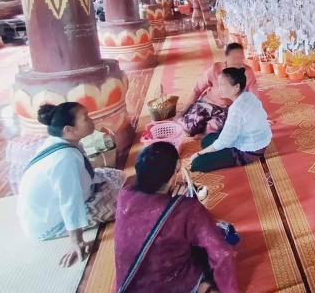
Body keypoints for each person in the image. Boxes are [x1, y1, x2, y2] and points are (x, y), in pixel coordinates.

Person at [115, 142, 238, 292]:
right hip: (173, 284)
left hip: (130, 284)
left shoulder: (125, 195)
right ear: (174, 172)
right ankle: (203, 287)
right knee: (225, 233)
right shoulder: (186, 209)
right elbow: (222, 253)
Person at [17, 102, 124, 267]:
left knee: (118, 176)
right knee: (125, 203)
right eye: (85, 118)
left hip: (49, 207)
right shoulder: (64, 159)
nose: (91, 120)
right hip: (50, 222)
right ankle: (70, 232)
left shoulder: (59, 141)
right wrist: (77, 241)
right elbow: (70, 202)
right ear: (69, 130)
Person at [191, 67, 271, 173]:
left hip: (247, 152)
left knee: (197, 163)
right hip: (261, 142)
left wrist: (199, 154)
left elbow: (224, 141)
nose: (219, 88)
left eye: (222, 85)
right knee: (208, 139)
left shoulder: (236, 108)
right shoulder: (248, 96)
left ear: (236, 87)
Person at [181, 42, 258, 136]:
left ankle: (207, 129)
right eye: (234, 58)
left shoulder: (248, 73)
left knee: (212, 130)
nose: (238, 61)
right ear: (226, 57)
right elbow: (197, 90)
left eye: (241, 58)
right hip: (207, 104)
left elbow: (253, 98)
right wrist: (184, 111)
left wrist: (257, 117)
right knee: (188, 128)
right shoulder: (216, 68)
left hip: (226, 110)